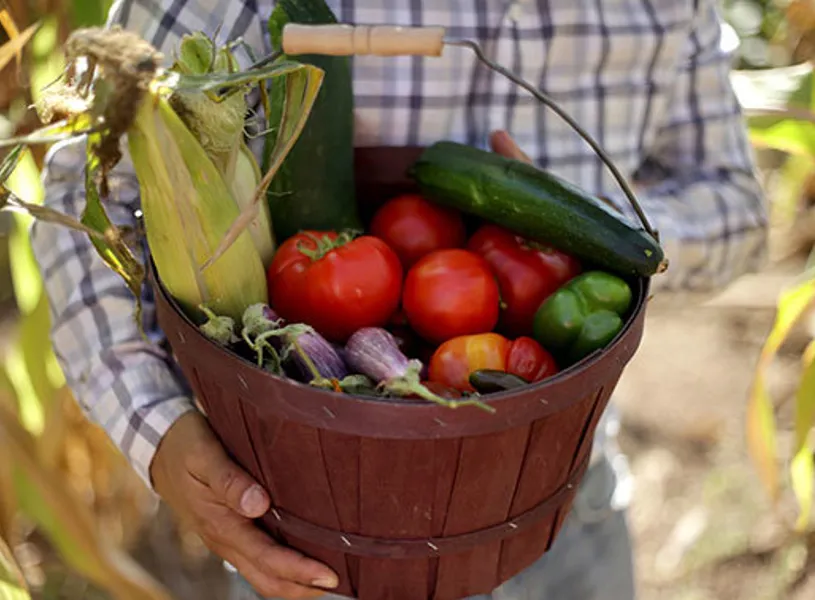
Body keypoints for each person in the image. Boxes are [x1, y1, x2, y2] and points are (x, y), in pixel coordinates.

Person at [29, 0, 768, 599]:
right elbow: (89, 195)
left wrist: (581, 223)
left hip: (565, 503)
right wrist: (157, 432)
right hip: (315, 525)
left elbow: (732, 206)